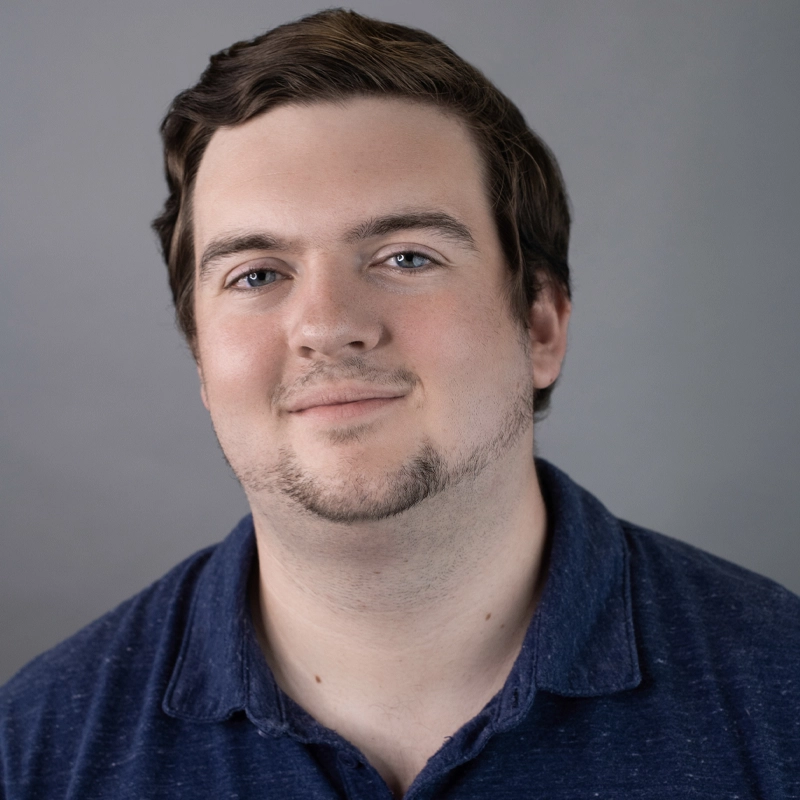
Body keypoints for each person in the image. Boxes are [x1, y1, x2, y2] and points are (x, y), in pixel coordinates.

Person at [1, 8, 798, 798]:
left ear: (541, 326)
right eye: (257, 274)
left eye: (405, 256)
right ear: (203, 358)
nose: (327, 326)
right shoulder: (34, 751)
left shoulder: (781, 701)